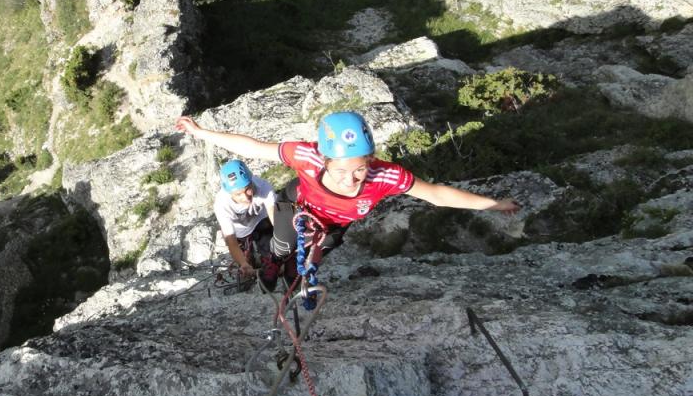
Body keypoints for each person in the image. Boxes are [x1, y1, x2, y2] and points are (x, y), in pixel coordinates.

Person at [177, 111, 519, 289]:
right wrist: (201, 132)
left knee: (311, 260)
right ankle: (273, 260)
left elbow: (435, 194)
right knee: (281, 243)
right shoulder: (307, 156)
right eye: (341, 170)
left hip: (332, 225)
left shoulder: (383, 177)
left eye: (360, 169)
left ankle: (292, 271)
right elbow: (253, 147)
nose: (352, 179)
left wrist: (489, 204)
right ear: (325, 160)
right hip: (294, 205)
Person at [214, 159, 276, 283]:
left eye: (248, 189)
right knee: (246, 264)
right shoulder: (221, 204)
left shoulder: (264, 187)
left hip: (261, 222)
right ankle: (249, 258)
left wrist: (281, 253)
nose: (246, 197)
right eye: (238, 194)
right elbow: (231, 240)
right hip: (239, 232)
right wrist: (243, 263)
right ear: (230, 193)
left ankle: (267, 258)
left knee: (270, 248)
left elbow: (276, 220)